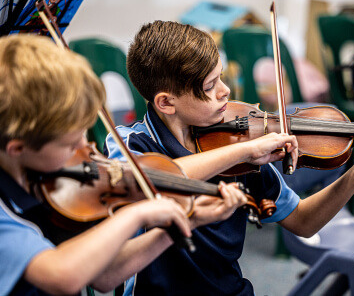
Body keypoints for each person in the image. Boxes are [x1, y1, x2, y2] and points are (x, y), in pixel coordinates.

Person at [104, 20, 354, 296]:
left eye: (221, 77)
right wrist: (247, 151)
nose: (226, 91)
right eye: (210, 86)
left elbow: (303, 221)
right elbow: (146, 177)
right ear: (166, 103)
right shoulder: (130, 143)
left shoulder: (238, 139)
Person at [0, 34, 267, 295]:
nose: (87, 149)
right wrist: (137, 214)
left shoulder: (43, 180)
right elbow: (63, 276)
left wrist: (189, 221)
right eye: (70, 145)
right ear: (17, 148)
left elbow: (105, 277)